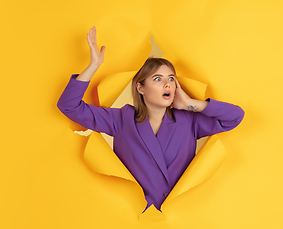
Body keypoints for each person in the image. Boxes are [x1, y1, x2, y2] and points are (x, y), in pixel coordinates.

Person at [57, 26, 245, 211]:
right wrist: (93, 66)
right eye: (157, 79)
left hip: (181, 216)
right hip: (133, 217)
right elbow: (69, 106)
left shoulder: (189, 120)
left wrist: (190, 104)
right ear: (140, 88)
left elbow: (235, 117)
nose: (167, 84)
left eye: (171, 78)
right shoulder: (121, 119)